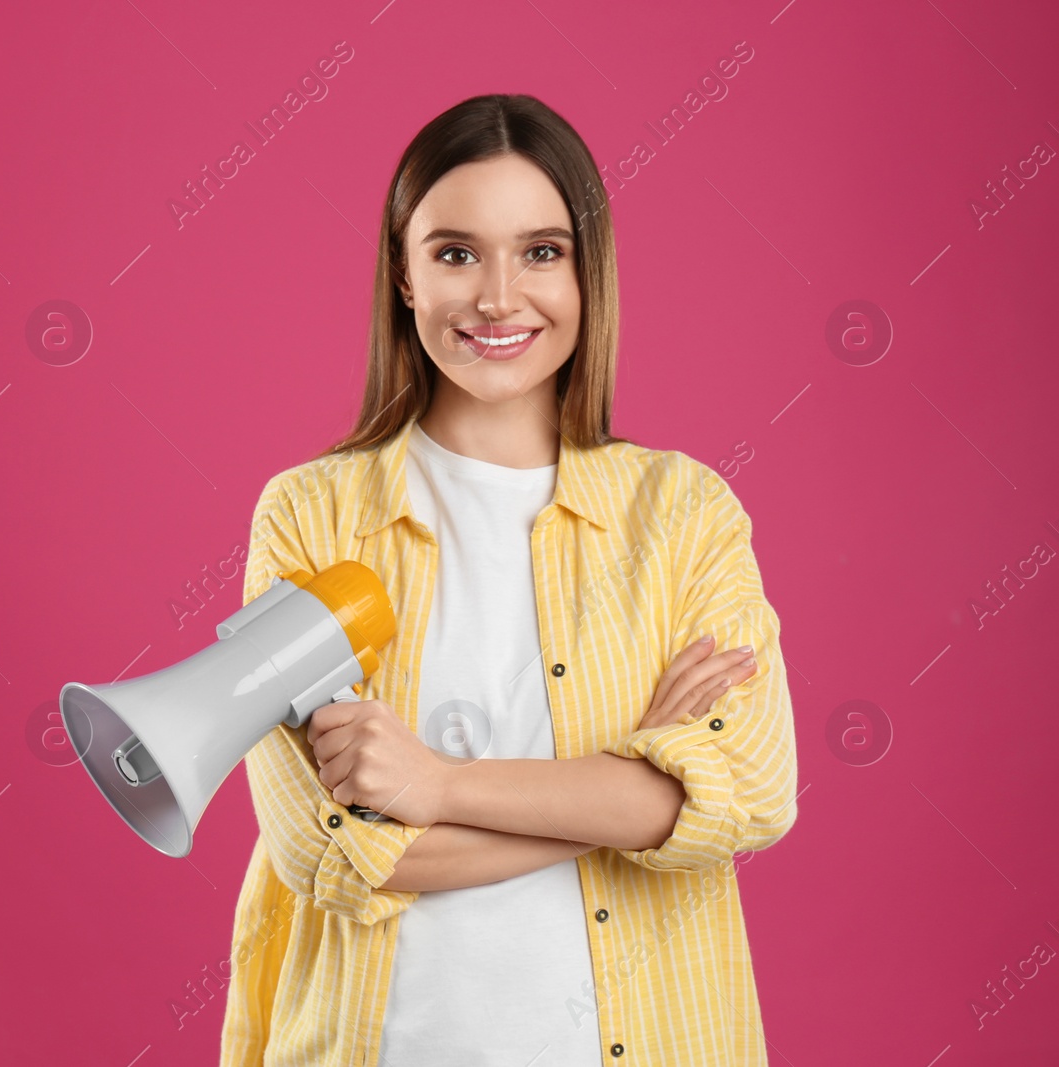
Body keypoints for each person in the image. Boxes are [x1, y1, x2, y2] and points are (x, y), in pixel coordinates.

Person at [218, 94, 799, 1067]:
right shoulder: (307, 517)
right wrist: (631, 795)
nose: (497, 296)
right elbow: (329, 853)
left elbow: (746, 791)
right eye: (454, 252)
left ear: (588, 274)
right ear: (402, 276)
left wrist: (434, 783)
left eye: (540, 251)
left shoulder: (684, 511)